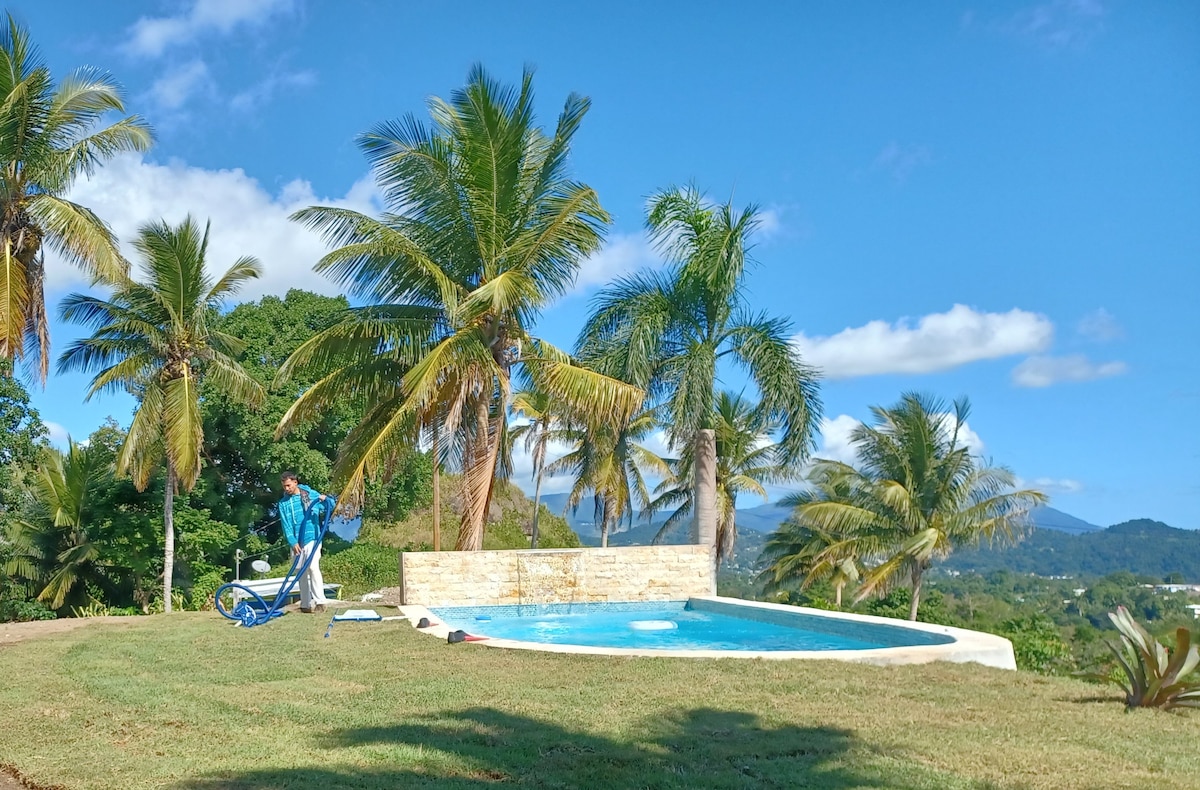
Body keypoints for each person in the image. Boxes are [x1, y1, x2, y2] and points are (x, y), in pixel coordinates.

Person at [278, 471, 331, 614]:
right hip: (296, 542)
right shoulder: (283, 504)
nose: (287, 489)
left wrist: (325, 499)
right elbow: (286, 525)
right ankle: (305, 604)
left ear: (295, 482)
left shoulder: (309, 494)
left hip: (312, 537)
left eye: (289, 485)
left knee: (313, 567)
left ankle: (320, 602)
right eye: (284, 486)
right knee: (300, 572)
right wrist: (292, 542)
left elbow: (329, 505)